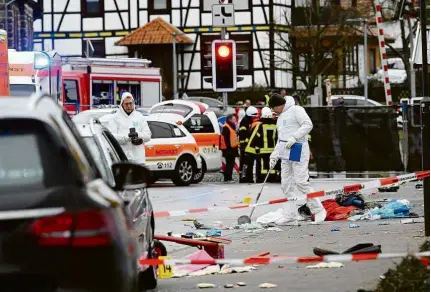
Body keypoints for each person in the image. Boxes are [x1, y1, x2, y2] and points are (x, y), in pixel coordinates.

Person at [268, 94, 327, 224]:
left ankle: (318, 210)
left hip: (297, 148)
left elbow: (308, 124)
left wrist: (295, 137)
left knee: (301, 181)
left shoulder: (296, 109)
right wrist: (274, 155)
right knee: (286, 183)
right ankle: (290, 213)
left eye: (273, 108)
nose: (273, 111)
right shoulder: (280, 117)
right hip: (285, 151)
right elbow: (281, 139)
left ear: (279, 105)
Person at [105, 92, 152, 164]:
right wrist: (127, 138)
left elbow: (148, 135)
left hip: (138, 159)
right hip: (122, 158)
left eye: (130, 103)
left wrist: (138, 136)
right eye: (126, 104)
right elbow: (111, 137)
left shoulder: (139, 116)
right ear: (122, 104)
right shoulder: (115, 118)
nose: (129, 106)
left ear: (133, 103)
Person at [245, 107, 278, 183]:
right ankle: (272, 178)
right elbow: (277, 138)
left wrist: (254, 147)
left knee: (263, 166)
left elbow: (257, 137)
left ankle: (262, 179)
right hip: (272, 150)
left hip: (263, 150)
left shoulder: (261, 126)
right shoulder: (275, 126)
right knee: (272, 165)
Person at [238, 106, 259, 183]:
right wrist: (243, 146)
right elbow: (242, 135)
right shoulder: (244, 122)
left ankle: (248, 177)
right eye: (253, 116)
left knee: (248, 163)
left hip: (247, 146)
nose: (254, 118)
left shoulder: (248, 121)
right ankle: (243, 178)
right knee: (244, 163)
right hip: (244, 147)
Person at [220, 114, 239, 183]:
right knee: (229, 164)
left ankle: (229, 177)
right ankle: (227, 178)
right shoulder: (226, 127)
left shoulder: (231, 126)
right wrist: (228, 148)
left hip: (232, 149)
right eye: (234, 119)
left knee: (230, 164)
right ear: (230, 119)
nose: (235, 120)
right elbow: (225, 139)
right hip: (229, 149)